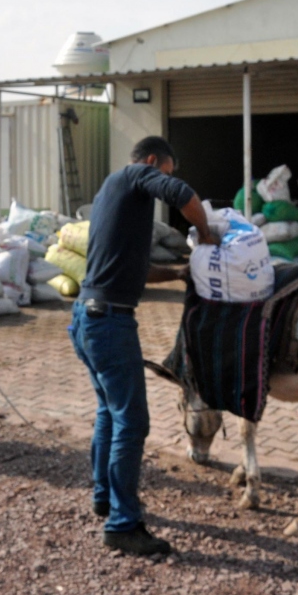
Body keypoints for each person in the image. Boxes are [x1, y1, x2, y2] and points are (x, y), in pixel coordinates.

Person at [71, 136, 217, 556]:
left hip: (87, 316)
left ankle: (105, 498)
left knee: (109, 412)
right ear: (152, 162)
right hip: (110, 325)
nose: (163, 181)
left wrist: (177, 273)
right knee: (132, 424)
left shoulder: (109, 192)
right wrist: (205, 234)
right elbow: (184, 195)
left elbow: (133, 269)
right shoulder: (137, 175)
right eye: (163, 172)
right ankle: (123, 524)